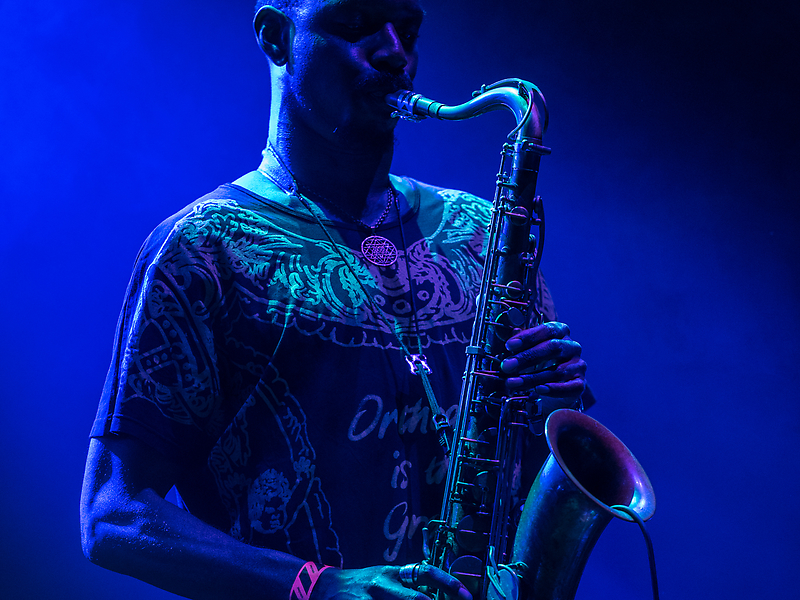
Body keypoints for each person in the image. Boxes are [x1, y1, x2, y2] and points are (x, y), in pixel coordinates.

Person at [80, 1, 588, 599]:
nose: (395, 53)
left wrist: (554, 403)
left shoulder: (482, 234)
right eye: (355, 25)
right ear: (276, 37)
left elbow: (530, 471)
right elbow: (112, 514)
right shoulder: (205, 249)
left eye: (409, 31)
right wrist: (317, 588)